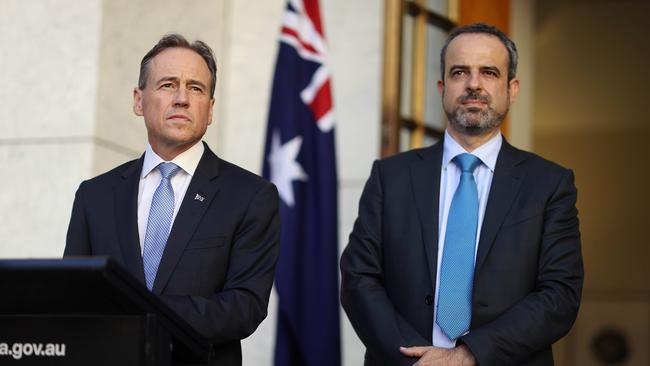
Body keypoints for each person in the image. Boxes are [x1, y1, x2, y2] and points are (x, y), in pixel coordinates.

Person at [340, 23, 583, 366]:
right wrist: (419, 360)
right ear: (442, 87)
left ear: (511, 89)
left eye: (488, 72)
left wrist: (469, 355)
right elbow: (359, 277)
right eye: (459, 72)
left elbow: (560, 295)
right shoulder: (390, 177)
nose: (473, 84)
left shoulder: (550, 184)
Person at [64, 34, 280, 366]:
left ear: (210, 109)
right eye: (167, 85)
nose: (182, 98)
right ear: (138, 100)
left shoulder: (250, 196)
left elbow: (244, 306)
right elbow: (74, 297)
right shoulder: (94, 196)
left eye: (196, 88)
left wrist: (141, 311)